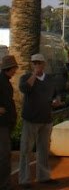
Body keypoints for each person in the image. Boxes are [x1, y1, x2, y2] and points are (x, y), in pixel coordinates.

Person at [19, 53, 62, 187]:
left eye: (39, 63)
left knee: (43, 150)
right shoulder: (26, 77)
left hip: (46, 119)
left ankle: (43, 176)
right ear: (32, 64)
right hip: (30, 120)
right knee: (26, 150)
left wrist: (57, 100)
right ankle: (24, 179)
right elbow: (24, 89)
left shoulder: (50, 79)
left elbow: (56, 94)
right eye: (34, 63)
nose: (37, 65)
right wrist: (34, 75)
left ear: (44, 64)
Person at [0, 55, 18, 190]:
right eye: (14, 68)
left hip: (6, 123)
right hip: (2, 124)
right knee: (4, 156)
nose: (16, 71)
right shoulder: (1, 81)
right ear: (9, 68)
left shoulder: (5, 81)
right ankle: (4, 185)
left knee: (5, 156)